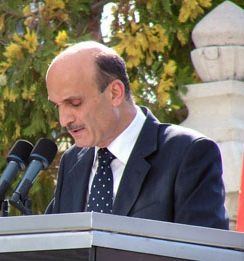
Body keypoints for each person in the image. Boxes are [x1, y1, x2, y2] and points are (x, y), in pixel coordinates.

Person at [44, 41, 228, 229]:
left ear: (115, 93)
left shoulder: (188, 152)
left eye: (74, 103)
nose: (64, 120)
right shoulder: (72, 161)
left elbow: (201, 254)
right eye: (57, 106)